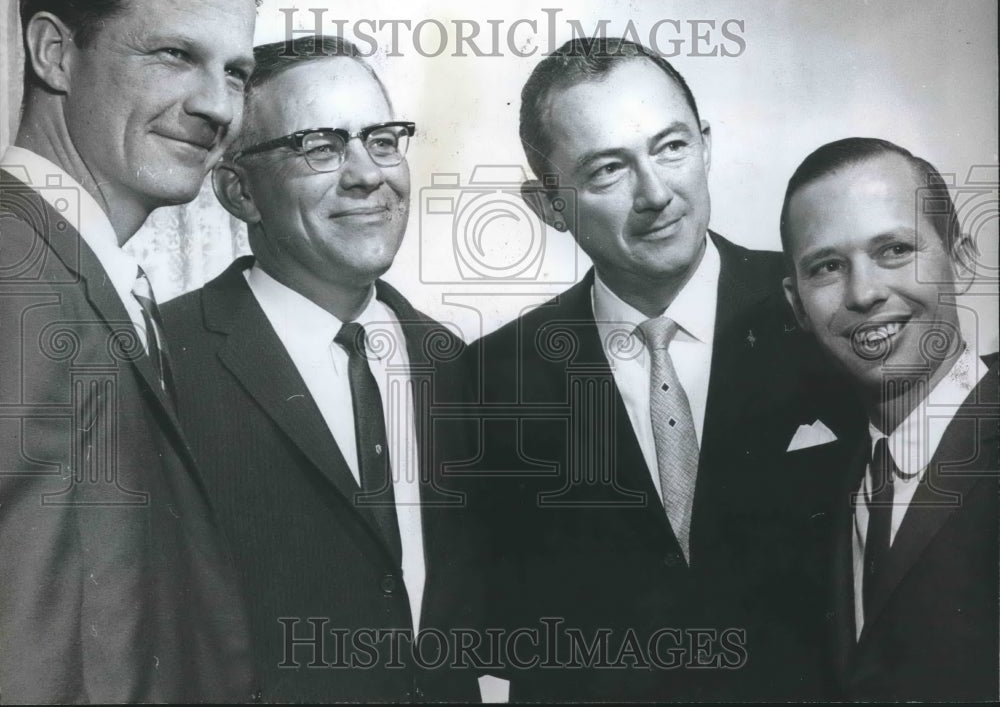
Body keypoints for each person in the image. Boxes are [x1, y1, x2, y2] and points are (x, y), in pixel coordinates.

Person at [465, 37, 861, 701]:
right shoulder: (488, 383)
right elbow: (492, 626)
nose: (656, 192)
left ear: (705, 145)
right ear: (549, 206)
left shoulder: (829, 310)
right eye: (607, 171)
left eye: (672, 146)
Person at [160, 36, 481, 703]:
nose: (368, 173)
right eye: (321, 147)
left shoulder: (455, 365)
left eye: (383, 140)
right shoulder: (161, 359)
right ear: (239, 191)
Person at [0, 0, 261, 704]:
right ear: (55, 51)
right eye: (175, 54)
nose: (218, 105)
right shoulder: (14, 272)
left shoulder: (86, 274)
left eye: (237, 71)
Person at [780, 137, 998, 701]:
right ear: (798, 304)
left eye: (895, 250)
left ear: (964, 259)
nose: (864, 292)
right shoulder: (817, 493)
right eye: (828, 266)